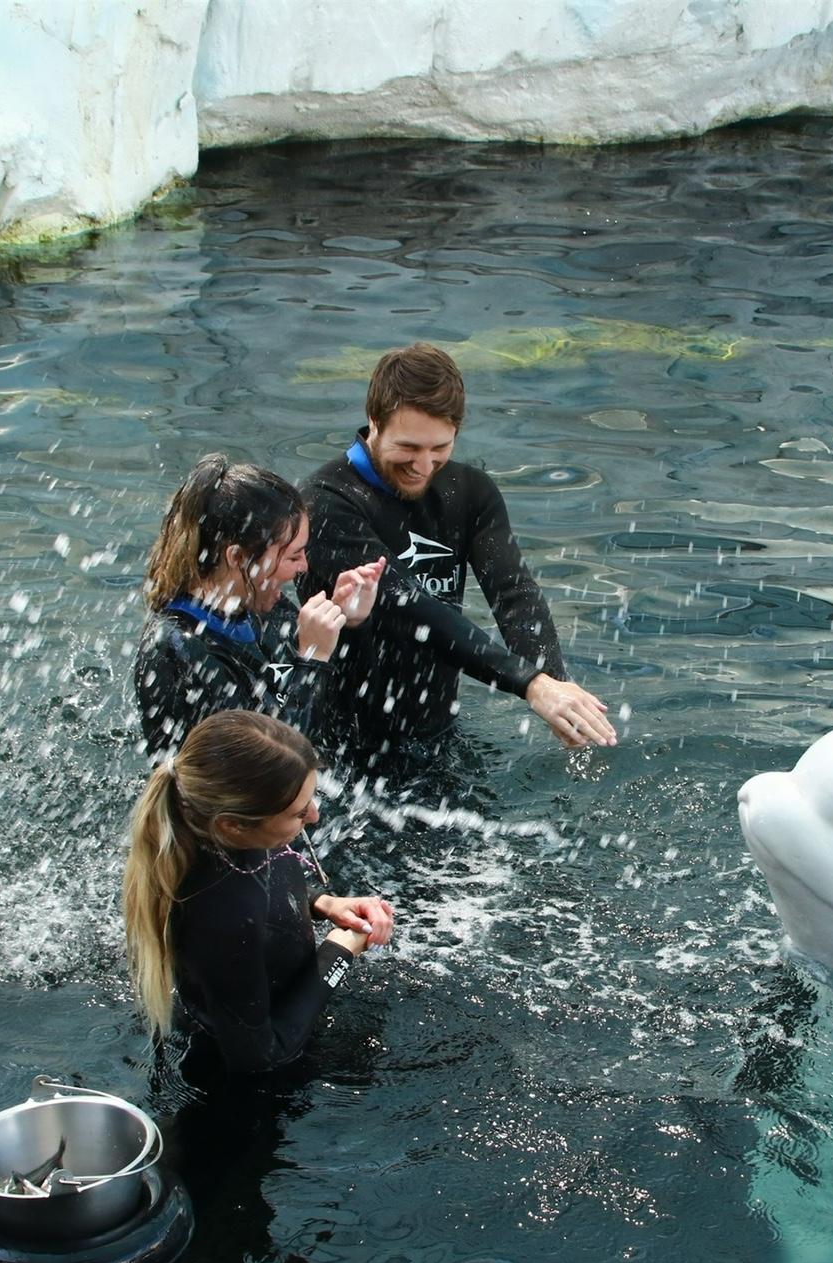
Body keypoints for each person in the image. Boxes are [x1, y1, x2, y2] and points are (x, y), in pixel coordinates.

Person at [297, 342, 617, 764]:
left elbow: (513, 592)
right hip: (339, 746)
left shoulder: (470, 492)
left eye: (439, 449)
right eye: (408, 448)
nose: (424, 466)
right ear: (374, 421)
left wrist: (556, 688)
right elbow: (411, 607)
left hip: (437, 735)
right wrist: (528, 682)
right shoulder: (326, 501)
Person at [122, 709, 395, 1075]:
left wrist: (324, 903)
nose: (314, 816)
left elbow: (268, 881)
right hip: (243, 1092)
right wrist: (340, 950)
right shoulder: (220, 913)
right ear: (234, 826)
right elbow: (261, 1056)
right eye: (299, 813)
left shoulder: (230, 835)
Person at [134, 453, 385, 758]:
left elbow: (353, 725)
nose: (304, 567)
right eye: (293, 556)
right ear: (238, 557)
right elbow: (276, 770)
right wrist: (313, 658)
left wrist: (353, 628)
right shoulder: (177, 649)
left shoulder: (269, 613)